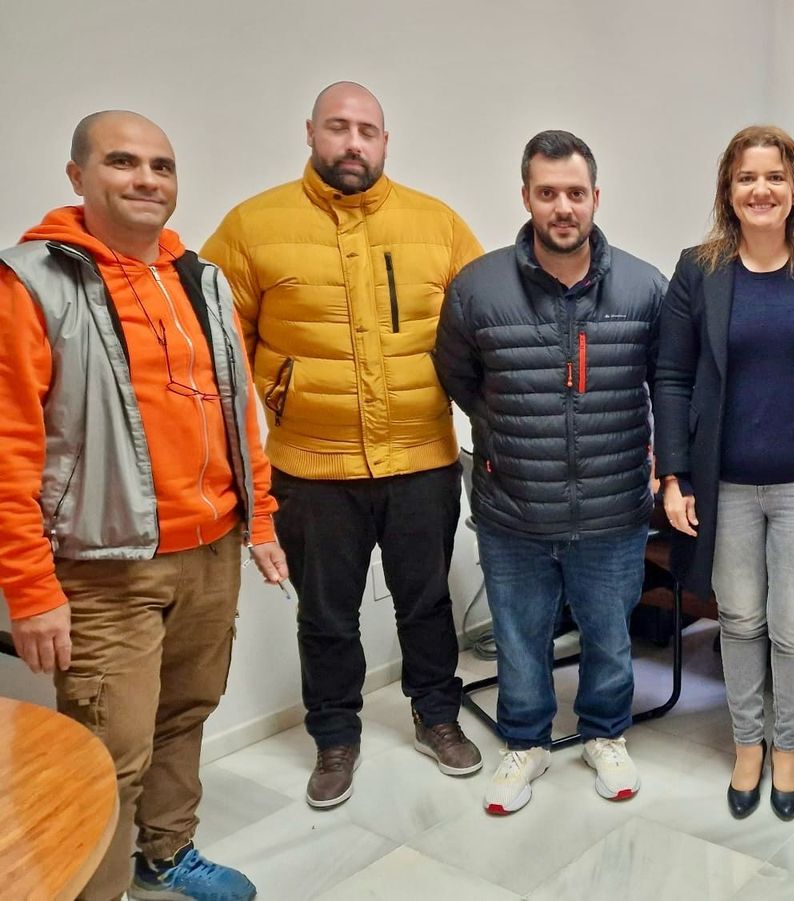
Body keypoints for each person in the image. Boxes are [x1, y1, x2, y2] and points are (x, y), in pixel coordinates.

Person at [0, 110, 284, 901]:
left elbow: (239, 412)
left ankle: (166, 852)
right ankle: (96, 888)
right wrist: (30, 590)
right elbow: (8, 451)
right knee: (103, 753)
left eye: (161, 165)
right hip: (103, 571)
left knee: (185, 712)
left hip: (210, 552)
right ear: (77, 177)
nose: (146, 180)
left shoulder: (200, 277)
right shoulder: (31, 283)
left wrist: (258, 519)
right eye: (123, 162)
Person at [204, 81, 485, 810]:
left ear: (386, 142)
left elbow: (484, 335)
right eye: (339, 127)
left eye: (368, 130)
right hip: (310, 470)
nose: (353, 142)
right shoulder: (251, 226)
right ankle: (335, 735)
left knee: (426, 602)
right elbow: (213, 351)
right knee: (325, 614)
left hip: (422, 461)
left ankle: (438, 715)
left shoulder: (438, 225)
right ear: (310, 133)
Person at [653, 124, 794, 821]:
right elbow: (670, 375)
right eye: (747, 177)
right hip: (725, 485)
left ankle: (788, 746)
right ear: (730, 188)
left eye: (774, 176)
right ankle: (746, 742)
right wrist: (674, 475)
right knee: (741, 619)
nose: (761, 189)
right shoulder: (700, 267)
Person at [433, 129, 666, 814]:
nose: (562, 206)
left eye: (574, 193)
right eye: (547, 193)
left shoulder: (645, 287)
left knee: (609, 631)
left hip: (613, 505)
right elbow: (457, 375)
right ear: (526, 196)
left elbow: (667, 382)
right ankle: (526, 741)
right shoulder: (477, 287)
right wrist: (507, 435)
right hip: (514, 507)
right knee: (518, 633)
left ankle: (605, 732)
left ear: (596, 197)